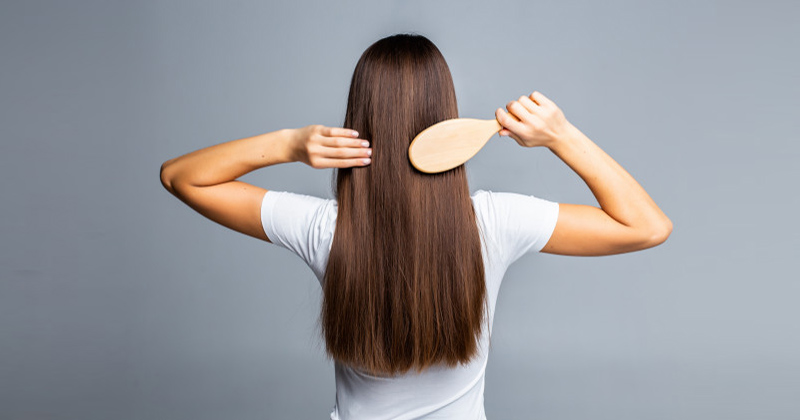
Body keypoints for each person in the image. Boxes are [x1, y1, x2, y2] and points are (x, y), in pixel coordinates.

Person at [160, 33, 671, 420]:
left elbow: (182, 178)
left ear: (359, 118)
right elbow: (646, 227)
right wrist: (561, 135)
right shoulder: (493, 222)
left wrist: (290, 144)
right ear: (444, 114)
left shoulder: (326, 228)